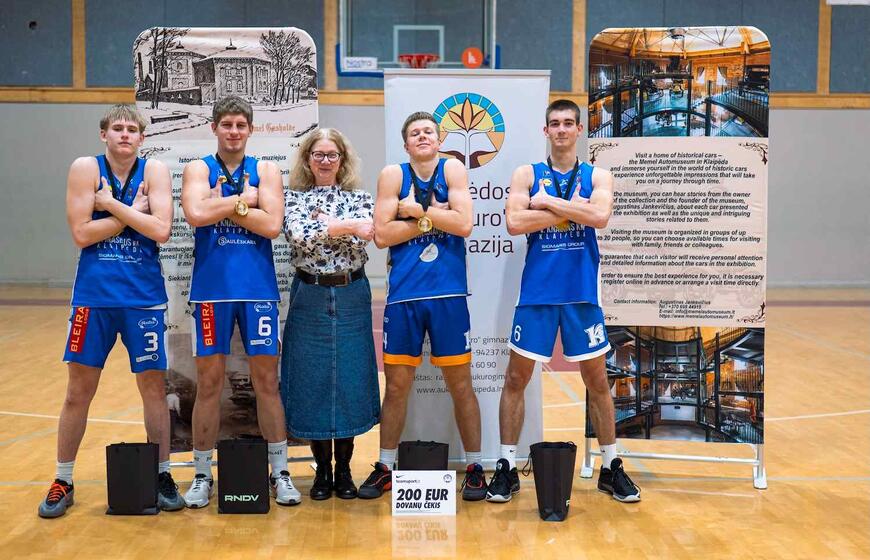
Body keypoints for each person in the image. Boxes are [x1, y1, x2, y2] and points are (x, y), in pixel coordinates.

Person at [486, 99, 640, 504]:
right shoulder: (526, 174)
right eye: (554, 123)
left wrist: (547, 203)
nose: (561, 130)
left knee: (598, 382)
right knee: (515, 379)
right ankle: (506, 466)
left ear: (579, 130)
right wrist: (575, 211)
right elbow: (515, 222)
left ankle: (611, 466)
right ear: (546, 130)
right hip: (537, 294)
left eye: (568, 123)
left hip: (581, 294)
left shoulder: (598, 175)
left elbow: (600, 217)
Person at [39, 104, 184, 518]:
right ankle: (63, 480)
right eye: (117, 128)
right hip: (94, 298)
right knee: (77, 392)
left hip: (143, 299)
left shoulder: (154, 170)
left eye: (132, 129)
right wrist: (133, 213)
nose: (124, 135)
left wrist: (109, 205)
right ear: (104, 134)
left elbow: (161, 230)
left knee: (153, 390)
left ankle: (162, 474)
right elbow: (82, 234)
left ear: (142, 137)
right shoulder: (86, 168)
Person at [181, 95, 300, 507]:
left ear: (251, 129)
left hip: (258, 292)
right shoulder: (198, 168)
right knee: (209, 384)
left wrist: (220, 205)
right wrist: (244, 200)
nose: (233, 131)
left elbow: (272, 225)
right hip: (211, 293)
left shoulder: (266, 169)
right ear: (214, 127)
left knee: (267, 382)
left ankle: (280, 473)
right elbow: (195, 215)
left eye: (240, 125)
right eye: (227, 124)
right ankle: (201, 475)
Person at [361, 111, 487, 501]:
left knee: (461, 385)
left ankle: (476, 467)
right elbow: (382, 235)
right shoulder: (392, 175)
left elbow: (465, 225)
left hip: (448, 296)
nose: (422, 136)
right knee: (397, 387)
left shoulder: (453, 169)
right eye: (415, 133)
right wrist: (435, 219)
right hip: (404, 297)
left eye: (428, 131)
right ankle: (385, 466)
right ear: (406, 143)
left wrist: (417, 213)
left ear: (439, 138)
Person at [281, 128, 380, 500]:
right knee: (314, 379)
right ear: (308, 160)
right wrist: (346, 225)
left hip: (352, 293)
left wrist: (329, 226)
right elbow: (299, 235)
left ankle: (345, 470)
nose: (325, 161)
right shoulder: (293, 198)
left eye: (332, 155)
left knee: (349, 378)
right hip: (309, 294)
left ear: (342, 159)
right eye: (318, 154)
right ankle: (322, 471)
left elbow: (365, 234)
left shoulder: (360, 197)